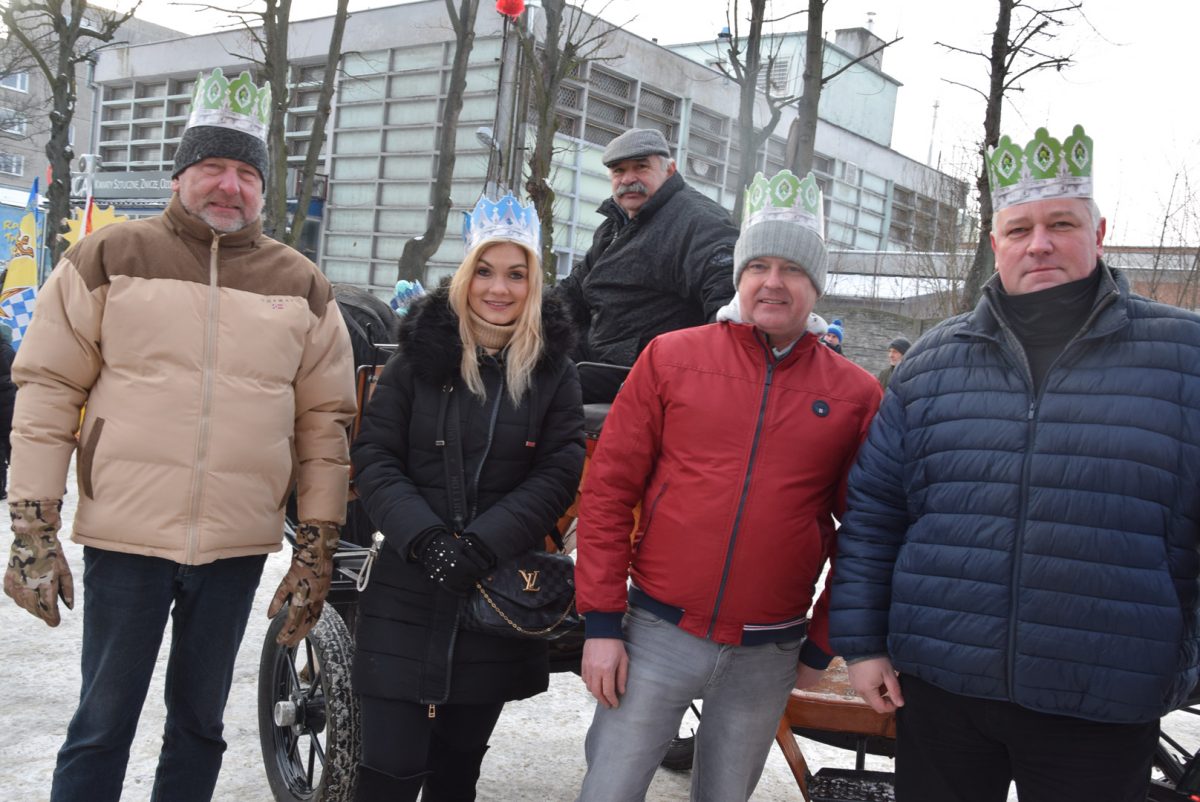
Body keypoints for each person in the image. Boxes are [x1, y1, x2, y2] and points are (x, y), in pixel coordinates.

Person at [1, 68, 357, 802]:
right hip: (127, 537)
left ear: (263, 189)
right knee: (102, 723)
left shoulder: (301, 284)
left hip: (235, 544)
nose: (229, 186)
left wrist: (317, 544)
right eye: (212, 167)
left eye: (246, 173)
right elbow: (48, 390)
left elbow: (325, 423)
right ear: (180, 175)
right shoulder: (109, 257)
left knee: (200, 726)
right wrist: (33, 524)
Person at [829, 124, 1200, 802]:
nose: (1040, 243)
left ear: (1099, 232)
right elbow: (876, 516)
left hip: (1102, 699)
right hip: (941, 688)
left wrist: (1184, 659)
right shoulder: (933, 364)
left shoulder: (1185, 358)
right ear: (996, 242)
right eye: (1019, 228)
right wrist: (863, 644)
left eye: (1062, 223)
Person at [574, 170, 882, 801]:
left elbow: (867, 532)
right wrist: (602, 624)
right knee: (609, 789)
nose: (773, 282)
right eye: (759, 265)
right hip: (656, 635)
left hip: (767, 651)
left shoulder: (854, 394)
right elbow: (608, 492)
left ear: (816, 283)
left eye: (793, 269)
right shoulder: (670, 358)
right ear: (739, 273)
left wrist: (822, 642)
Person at [349, 193, 585, 800]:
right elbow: (376, 457)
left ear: (534, 282)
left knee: (457, 773)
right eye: (485, 270)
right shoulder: (416, 360)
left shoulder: (553, 371)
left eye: (516, 274)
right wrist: (426, 538)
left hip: (494, 591)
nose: (498, 288)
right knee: (387, 771)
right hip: (406, 586)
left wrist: (483, 545)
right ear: (464, 275)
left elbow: (558, 470)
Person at [556, 128, 739, 402]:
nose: (628, 179)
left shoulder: (699, 222)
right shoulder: (615, 225)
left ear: (669, 169)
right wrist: (526, 316)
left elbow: (726, 303)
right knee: (516, 356)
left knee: (538, 382)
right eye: (618, 171)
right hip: (598, 353)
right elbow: (574, 291)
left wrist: (693, 382)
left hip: (640, 371)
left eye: (641, 167)